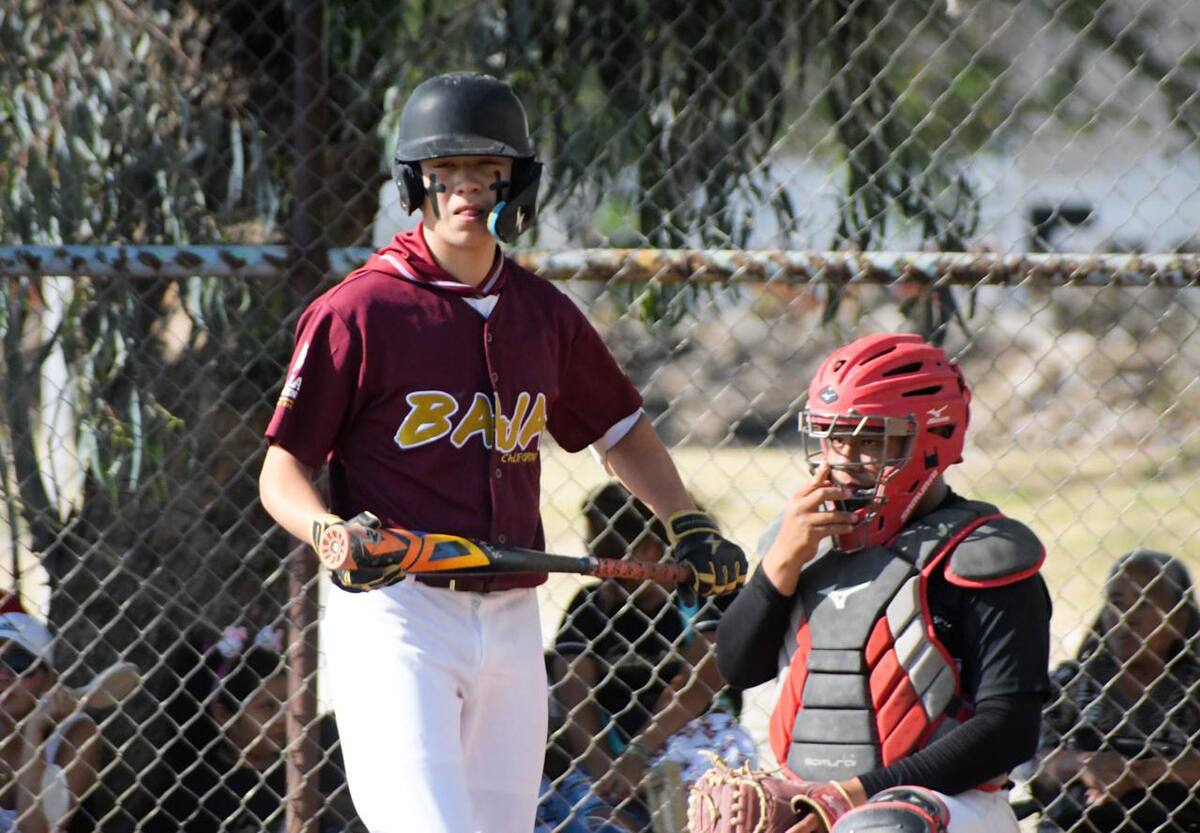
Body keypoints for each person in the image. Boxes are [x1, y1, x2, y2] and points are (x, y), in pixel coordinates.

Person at [257, 71, 747, 833]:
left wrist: (686, 520)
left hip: (516, 610)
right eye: (445, 172)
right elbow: (282, 468)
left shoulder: (543, 314)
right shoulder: (361, 310)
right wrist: (329, 532)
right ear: (415, 181)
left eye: (488, 172)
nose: (467, 190)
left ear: (517, 183)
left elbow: (620, 431)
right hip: (402, 611)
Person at [714, 332, 1053, 833]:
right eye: (833, 435)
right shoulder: (802, 543)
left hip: (948, 805)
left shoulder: (985, 555)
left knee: (881, 827)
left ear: (932, 440)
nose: (844, 462)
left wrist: (847, 799)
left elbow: (1009, 730)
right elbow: (737, 667)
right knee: (729, 816)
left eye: (870, 440)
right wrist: (782, 561)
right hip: (816, 798)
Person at [547, 482, 753, 831]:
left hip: (685, 738)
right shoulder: (591, 605)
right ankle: (614, 816)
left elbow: (699, 684)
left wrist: (638, 756)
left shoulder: (703, 594)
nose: (601, 562)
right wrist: (603, 765)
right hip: (605, 747)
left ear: (655, 546)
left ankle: (678, 816)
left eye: (611, 548)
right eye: (594, 547)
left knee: (714, 750)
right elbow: (572, 691)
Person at [1030, 549, 1200, 832]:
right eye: (1117, 603)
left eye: (1145, 603)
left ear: (1179, 620)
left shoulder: (1193, 688)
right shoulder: (1072, 683)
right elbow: (1029, 760)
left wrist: (1158, 770)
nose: (1128, 618)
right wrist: (1083, 764)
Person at [142, 624, 363, 833]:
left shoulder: (317, 758)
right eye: (268, 706)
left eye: (289, 702)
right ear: (224, 715)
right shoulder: (194, 794)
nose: (283, 718)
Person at [0, 597, 101, 833]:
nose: (3, 675)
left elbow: (36, 829)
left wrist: (34, 731)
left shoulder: (77, 732)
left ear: (49, 680)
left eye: (19, 662)